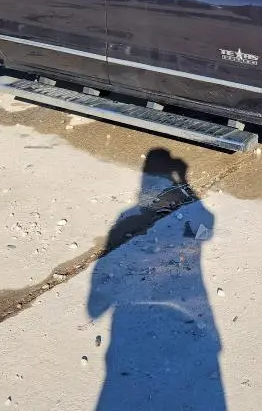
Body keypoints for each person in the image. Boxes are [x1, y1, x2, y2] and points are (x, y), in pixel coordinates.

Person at [87, 148, 224, 410]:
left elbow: (94, 307)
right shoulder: (130, 218)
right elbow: (208, 226)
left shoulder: (125, 219)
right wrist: (185, 184)